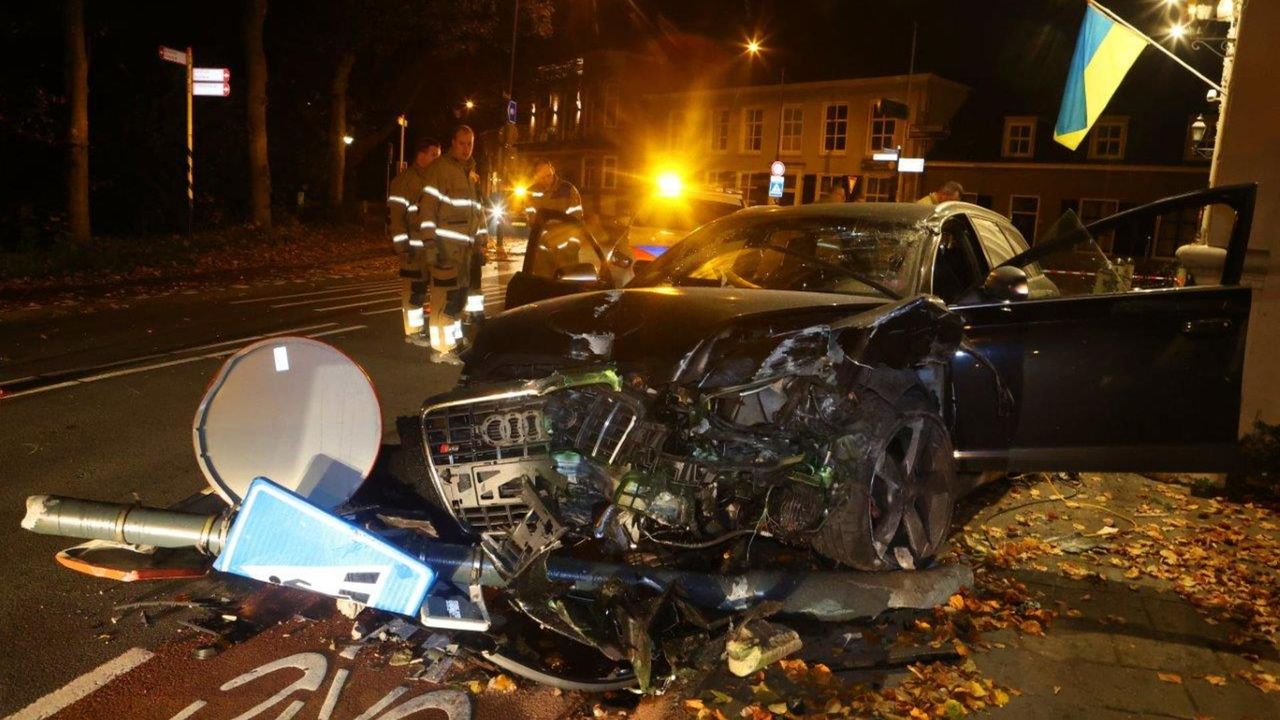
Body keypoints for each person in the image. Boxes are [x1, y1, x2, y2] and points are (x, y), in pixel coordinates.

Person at [413, 125, 485, 364]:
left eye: (470, 144)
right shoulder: (440, 169)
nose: (466, 148)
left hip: (465, 250)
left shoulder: (470, 172)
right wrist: (430, 243)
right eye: (462, 143)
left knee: (458, 299)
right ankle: (441, 349)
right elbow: (428, 208)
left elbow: (478, 211)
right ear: (453, 142)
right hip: (445, 247)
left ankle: (452, 342)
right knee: (443, 299)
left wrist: (481, 242)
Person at [387, 136, 441, 343]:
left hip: (430, 247)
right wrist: (402, 246)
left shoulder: (433, 180)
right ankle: (413, 331)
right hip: (413, 249)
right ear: (421, 155)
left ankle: (420, 328)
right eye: (433, 155)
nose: (437, 159)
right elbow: (397, 217)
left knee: (425, 290)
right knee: (413, 292)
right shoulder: (404, 182)